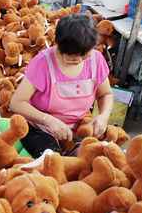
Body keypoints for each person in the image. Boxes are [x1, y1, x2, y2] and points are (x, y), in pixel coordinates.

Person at [9, 13, 113, 158]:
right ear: (59, 46)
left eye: (85, 56)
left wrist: (103, 117)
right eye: (73, 58)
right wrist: (48, 120)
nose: (80, 60)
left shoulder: (96, 60)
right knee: (52, 159)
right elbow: (16, 103)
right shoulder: (43, 62)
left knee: (96, 155)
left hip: (78, 127)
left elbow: (105, 94)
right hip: (40, 128)